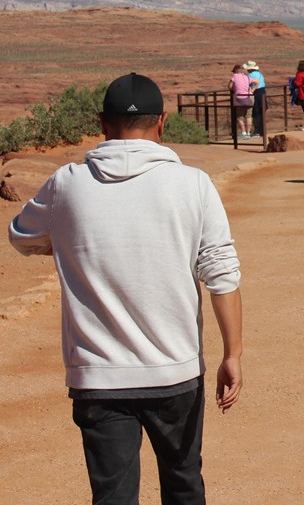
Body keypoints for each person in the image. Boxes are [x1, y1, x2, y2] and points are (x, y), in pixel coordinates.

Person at [8, 72, 243, 505]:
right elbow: (222, 274)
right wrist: (233, 354)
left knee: (113, 496)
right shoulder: (193, 184)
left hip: (99, 375)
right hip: (176, 371)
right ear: (163, 122)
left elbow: (21, 235)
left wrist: (69, 243)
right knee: (184, 484)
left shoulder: (66, 184)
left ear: (102, 123)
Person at [229, 63, 258, 138]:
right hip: (250, 97)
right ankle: (248, 133)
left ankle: (243, 133)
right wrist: (253, 90)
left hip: (240, 98)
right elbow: (257, 82)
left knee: (239, 116)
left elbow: (230, 86)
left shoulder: (234, 76)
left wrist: (234, 89)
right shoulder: (246, 77)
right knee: (248, 116)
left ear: (235, 70)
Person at [243, 60, 267, 137]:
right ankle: (262, 131)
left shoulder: (250, 75)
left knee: (256, 113)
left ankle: (257, 131)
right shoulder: (259, 74)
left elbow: (249, 84)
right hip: (262, 92)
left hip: (256, 93)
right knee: (262, 112)